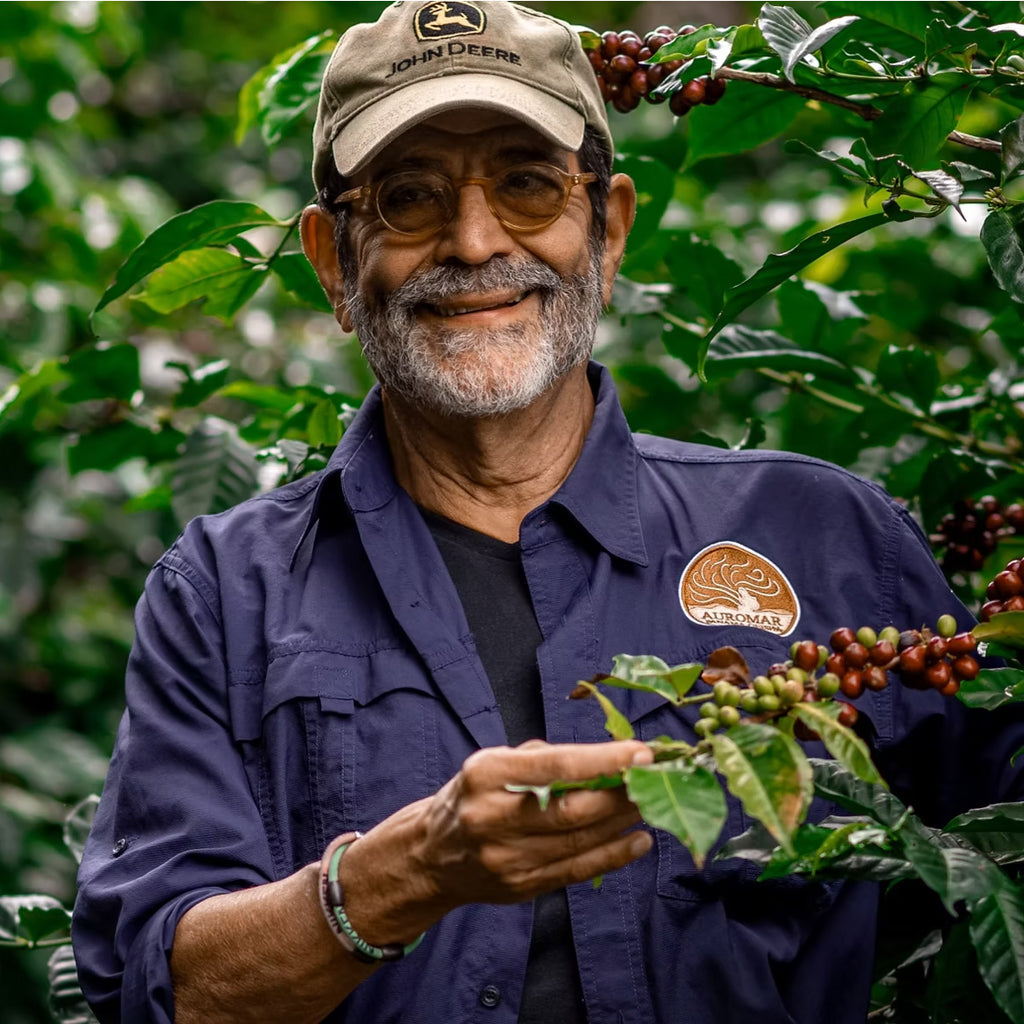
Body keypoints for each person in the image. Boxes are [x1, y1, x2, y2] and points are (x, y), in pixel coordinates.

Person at [72, 3, 1023, 1023]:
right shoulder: (224, 591)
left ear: (606, 229)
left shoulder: (826, 535)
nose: (475, 242)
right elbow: (158, 989)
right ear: (332, 264)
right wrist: (393, 881)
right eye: (407, 197)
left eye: (526, 185)